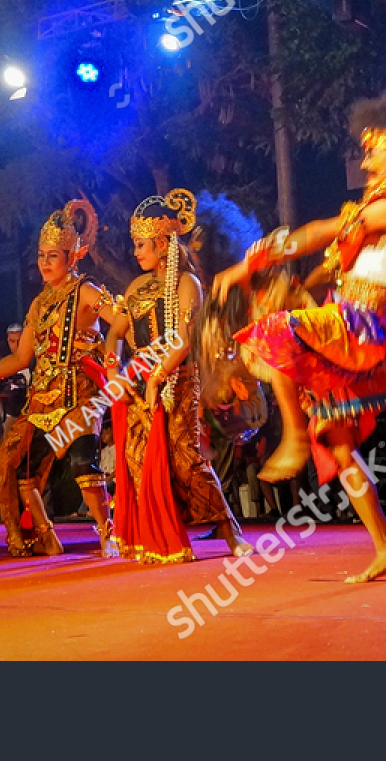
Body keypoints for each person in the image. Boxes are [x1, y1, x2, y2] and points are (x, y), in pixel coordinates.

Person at [213, 91, 386, 582]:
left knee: (275, 332)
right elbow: (326, 259)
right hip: (344, 329)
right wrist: (290, 280)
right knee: (340, 446)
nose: (364, 157)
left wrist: (247, 264)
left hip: (361, 333)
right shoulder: (368, 222)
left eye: (375, 147)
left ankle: (293, 436)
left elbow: (319, 232)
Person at [103, 189, 250, 562]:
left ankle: (230, 531)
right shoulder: (136, 288)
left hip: (177, 382)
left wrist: (158, 375)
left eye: (141, 244)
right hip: (138, 385)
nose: (136, 252)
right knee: (138, 461)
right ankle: (159, 534)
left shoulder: (188, 283)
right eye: (135, 244)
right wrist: (111, 363)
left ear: (163, 242)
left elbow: (185, 339)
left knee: (185, 460)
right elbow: (116, 332)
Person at [0, 199, 118, 557]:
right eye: (41, 255)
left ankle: (108, 534)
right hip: (42, 399)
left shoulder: (86, 291)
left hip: (80, 394)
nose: (43, 262)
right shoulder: (39, 304)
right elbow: (22, 357)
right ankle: (45, 536)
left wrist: (116, 353)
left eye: (52, 256)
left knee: (81, 464)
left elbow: (119, 320)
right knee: (18, 465)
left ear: (72, 257)